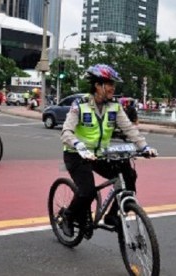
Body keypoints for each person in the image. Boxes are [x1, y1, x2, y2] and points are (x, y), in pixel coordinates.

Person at [59, 64, 158, 237]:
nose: (113, 88)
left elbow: (129, 129)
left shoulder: (115, 106)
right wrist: (78, 145)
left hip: (100, 155)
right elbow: (66, 131)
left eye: (113, 84)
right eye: (109, 84)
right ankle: (67, 217)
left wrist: (144, 147)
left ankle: (113, 215)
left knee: (129, 175)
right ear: (97, 85)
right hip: (76, 154)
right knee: (87, 191)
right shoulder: (79, 105)